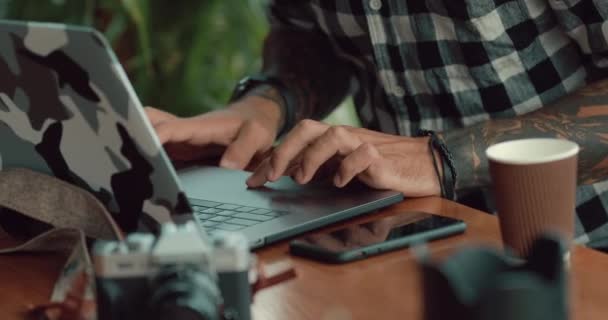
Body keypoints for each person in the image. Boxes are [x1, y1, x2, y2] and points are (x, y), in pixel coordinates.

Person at [146, 0, 608, 248]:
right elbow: (312, 32)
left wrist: (441, 157)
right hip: (397, 247)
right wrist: (265, 105)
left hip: (578, 254)